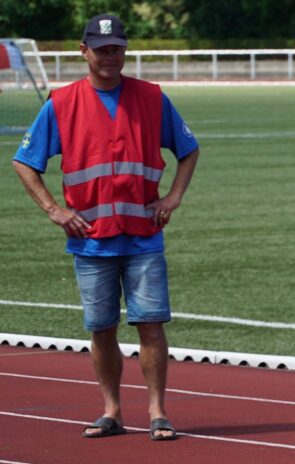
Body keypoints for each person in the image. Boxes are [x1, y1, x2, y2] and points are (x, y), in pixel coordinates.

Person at [11, 14, 199, 441]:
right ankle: (111, 411)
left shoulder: (152, 98)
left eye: (116, 48)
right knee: (101, 329)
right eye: (101, 49)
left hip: (143, 235)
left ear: (124, 51)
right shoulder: (61, 103)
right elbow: (24, 162)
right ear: (84, 52)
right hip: (91, 240)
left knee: (151, 325)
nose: (110, 56)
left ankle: (157, 413)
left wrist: (173, 198)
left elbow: (188, 149)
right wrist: (54, 210)